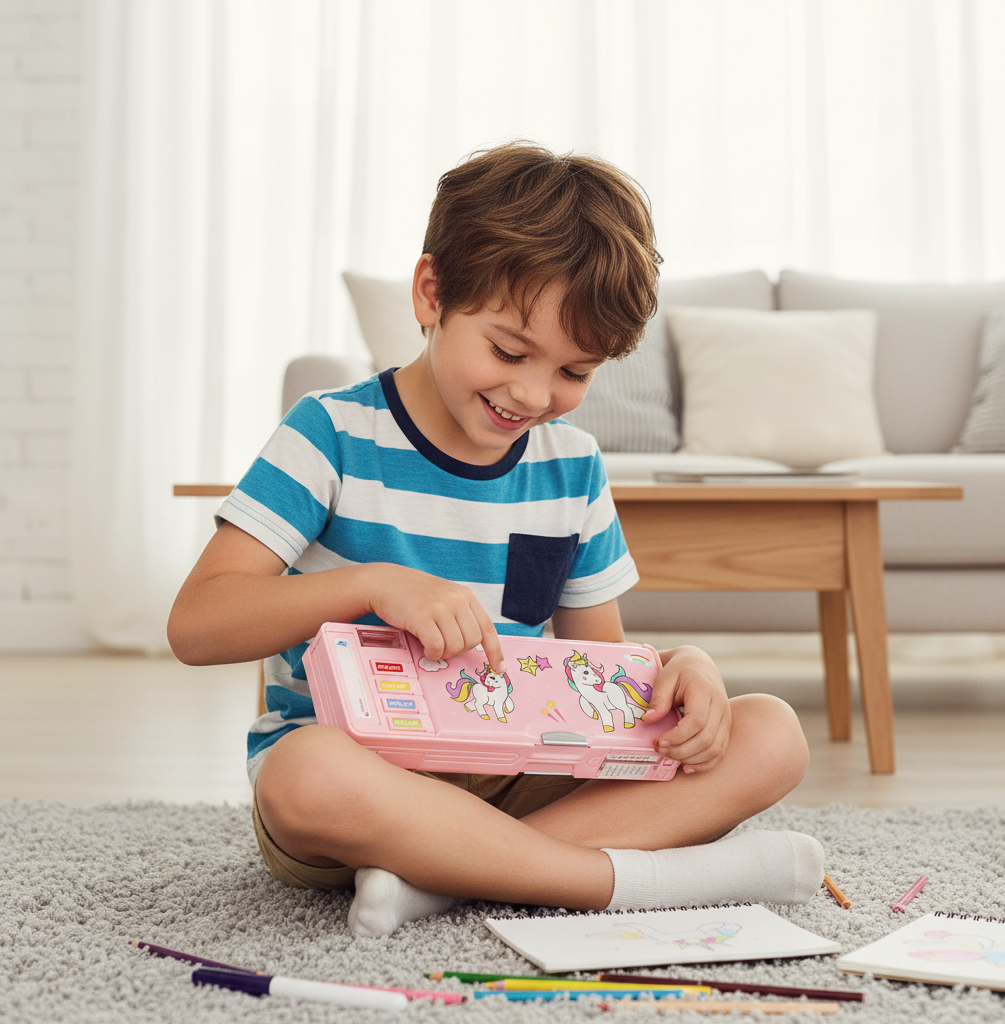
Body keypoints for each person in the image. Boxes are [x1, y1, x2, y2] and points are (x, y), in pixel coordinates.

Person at [167, 141, 823, 938]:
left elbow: (600, 676)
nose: (532, 393)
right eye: (510, 351)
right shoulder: (329, 432)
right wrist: (370, 585)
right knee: (303, 775)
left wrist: (680, 673)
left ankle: (443, 882)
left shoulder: (573, 467)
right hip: (366, 782)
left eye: (574, 372)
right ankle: (597, 881)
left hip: (521, 770)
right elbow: (197, 625)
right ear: (431, 293)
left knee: (770, 735)